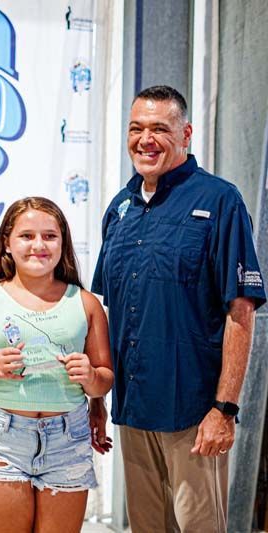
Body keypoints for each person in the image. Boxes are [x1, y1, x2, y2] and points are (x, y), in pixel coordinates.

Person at [91, 85, 266, 532]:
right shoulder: (120, 209)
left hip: (194, 416)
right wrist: (97, 399)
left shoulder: (219, 201)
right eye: (136, 128)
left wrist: (224, 410)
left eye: (159, 129)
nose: (145, 139)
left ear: (185, 134)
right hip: (133, 411)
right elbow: (105, 314)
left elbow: (241, 312)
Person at [0, 197, 113, 533]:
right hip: (1, 442)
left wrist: (91, 376)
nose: (38, 245)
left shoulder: (85, 303)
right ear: (6, 243)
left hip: (68, 440)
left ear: (63, 244)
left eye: (50, 236)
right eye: (26, 236)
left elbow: (104, 379)